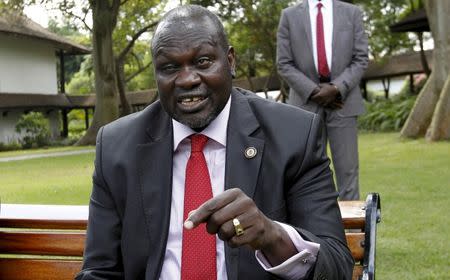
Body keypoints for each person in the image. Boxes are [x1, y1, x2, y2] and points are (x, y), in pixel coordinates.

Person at [76, 5, 353, 280]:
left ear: (230, 61)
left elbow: (337, 266)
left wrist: (272, 236)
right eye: (169, 67)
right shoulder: (116, 147)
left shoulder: (294, 135)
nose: (187, 79)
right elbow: (99, 271)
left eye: (203, 62)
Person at [277, 0, 368, 200]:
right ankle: (312, 229)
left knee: (348, 173)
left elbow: (360, 58)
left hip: (343, 102)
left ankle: (350, 229)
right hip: (304, 105)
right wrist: (314, 91)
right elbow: (284, 63)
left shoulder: (352, 13)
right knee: (305, 175)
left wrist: (336, 88)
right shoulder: (289, 16)